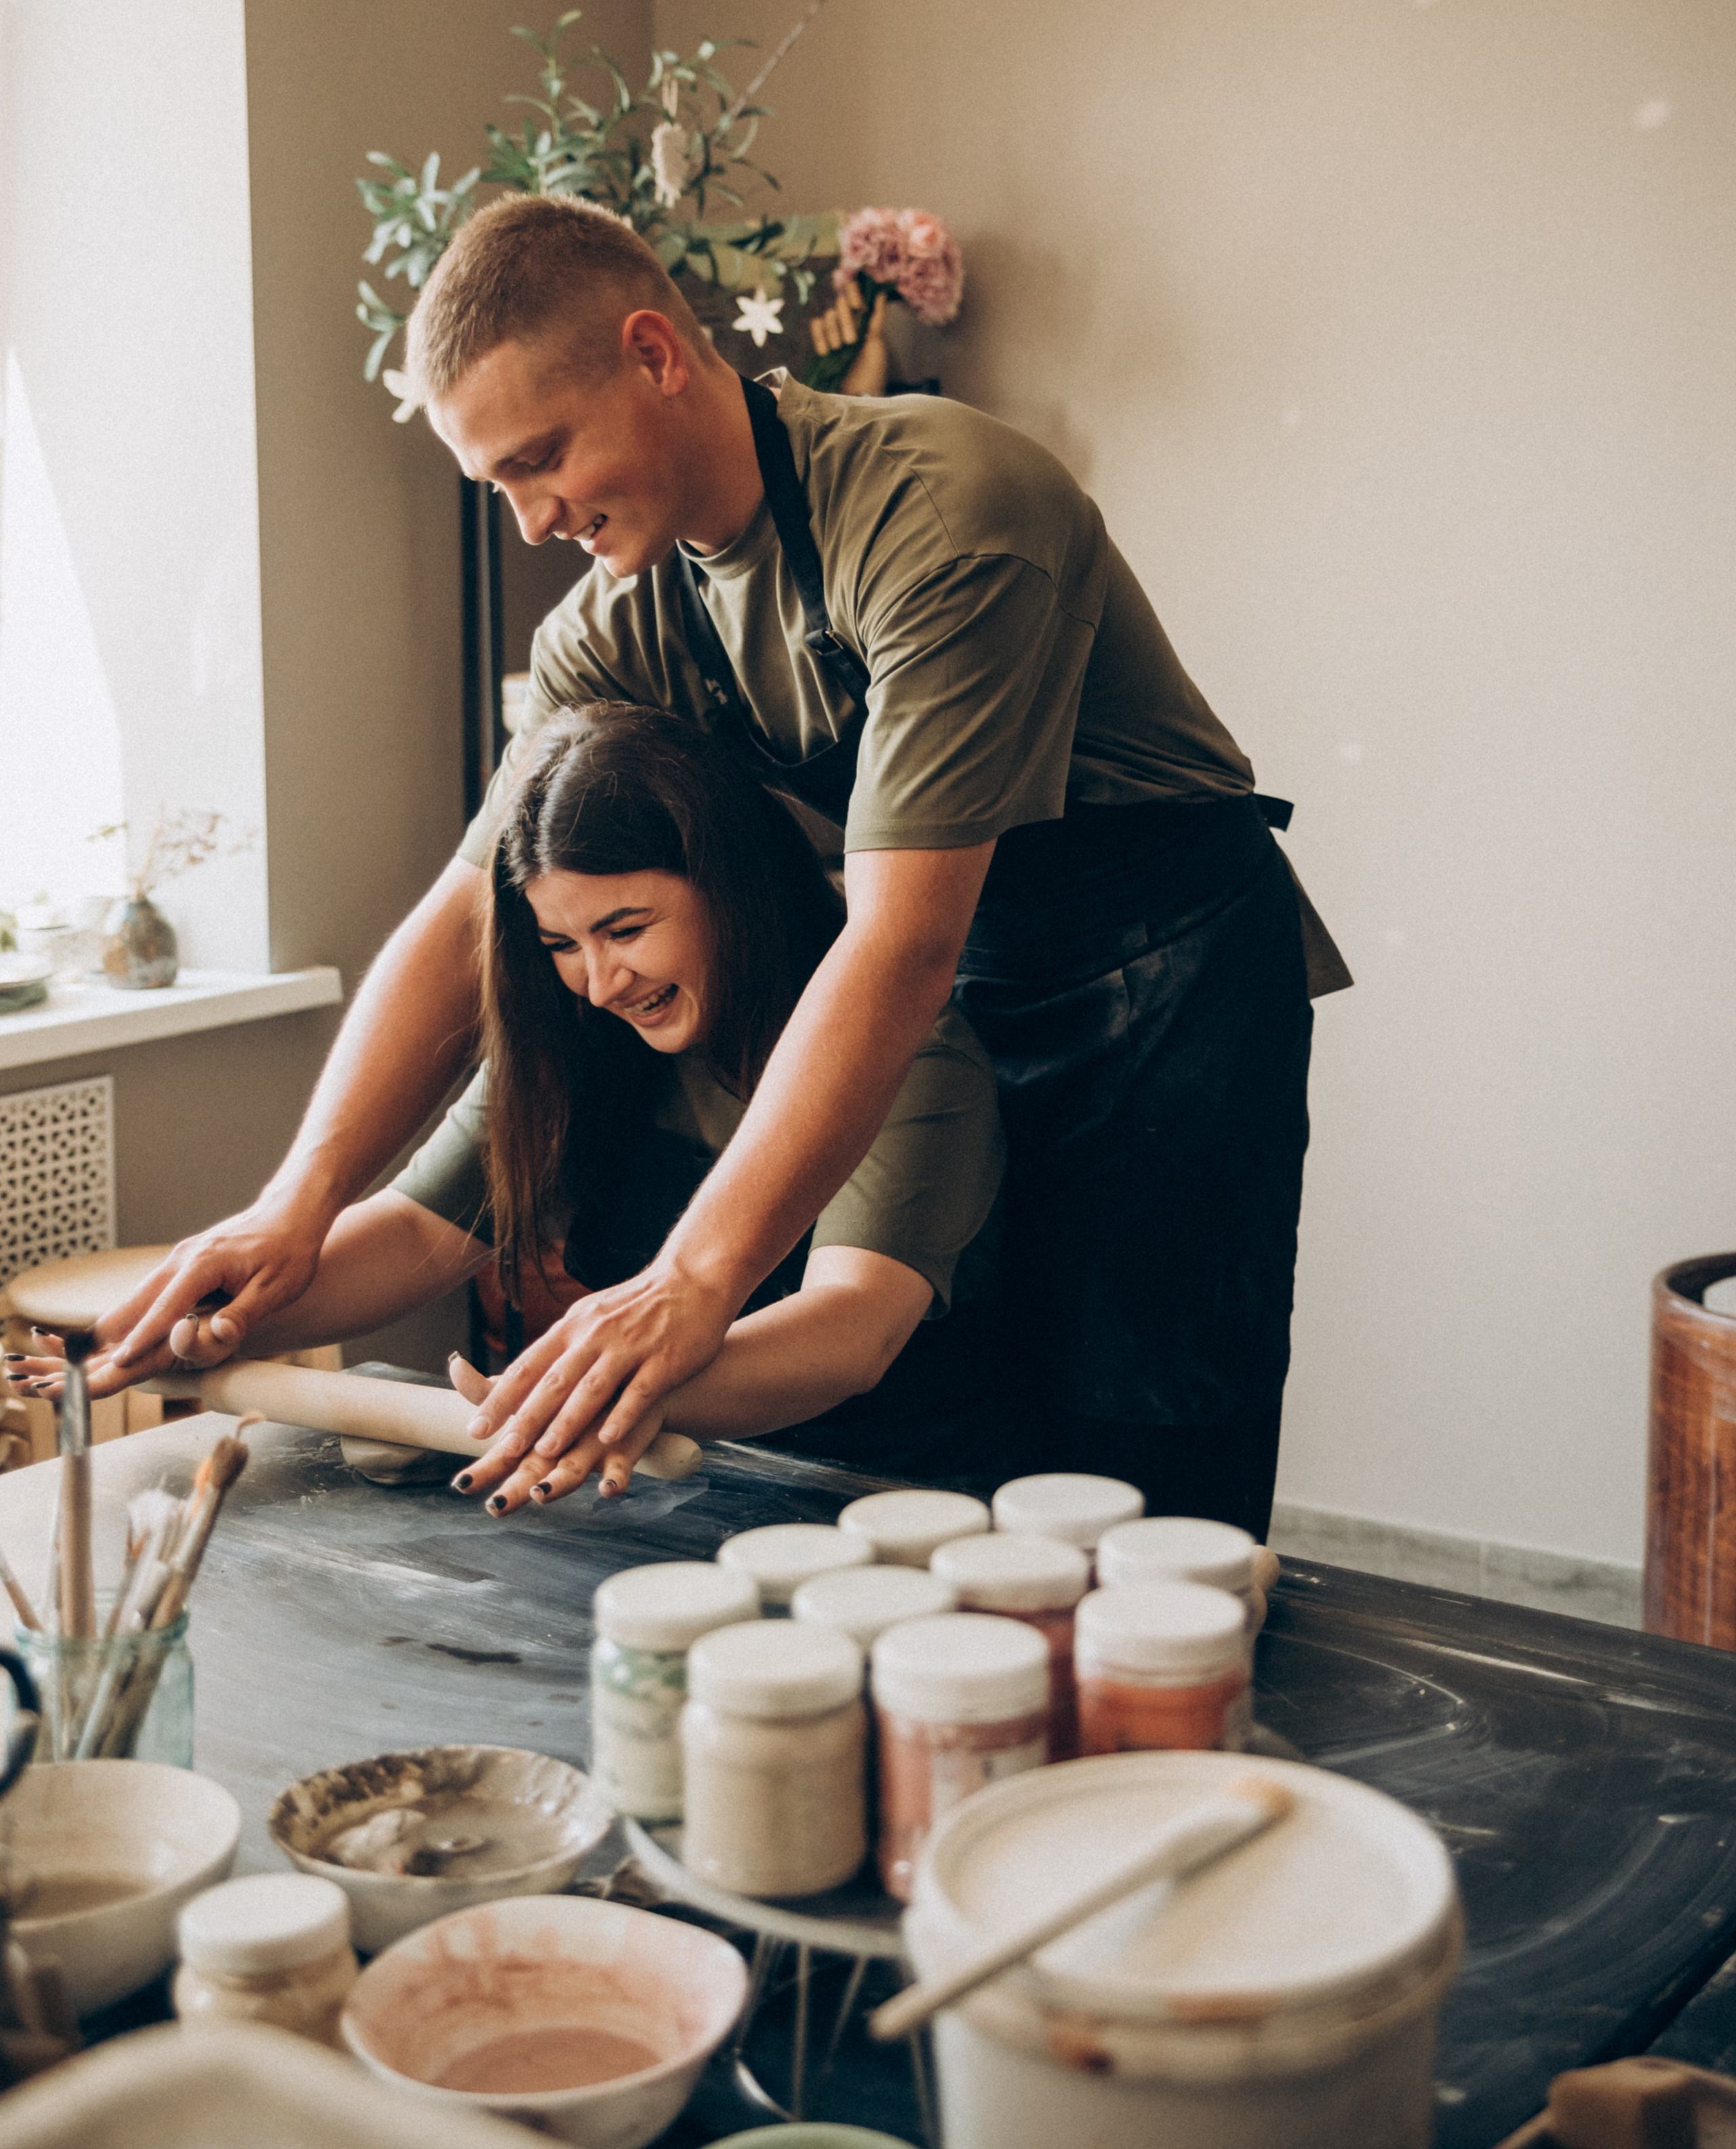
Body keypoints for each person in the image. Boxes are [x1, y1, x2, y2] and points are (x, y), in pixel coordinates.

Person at [101, 193, 1341, 1539]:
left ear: (653, 353)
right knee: (982, 1444)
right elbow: (468, 916)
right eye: (498, 484)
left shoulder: (946, 515)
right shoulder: (614, 626)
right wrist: (295, 1209)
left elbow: (899, 941)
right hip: (958, 978)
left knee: (1141, 1456)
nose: (529, 520)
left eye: (542, 458)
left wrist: (694, 1279)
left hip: (1156, 996)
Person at [52, 705, 1009, 1503]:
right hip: (655, 1486)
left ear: (734, 891)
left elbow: (850, 1332)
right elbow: (417, 1236)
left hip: (886, 1503)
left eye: (626, 930)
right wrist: (179, 1335)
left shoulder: (916, 1058)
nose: (597, 981)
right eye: (561, 944)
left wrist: (572, 1393)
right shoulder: (580, 1041)